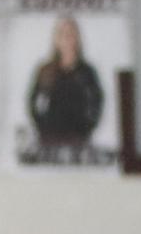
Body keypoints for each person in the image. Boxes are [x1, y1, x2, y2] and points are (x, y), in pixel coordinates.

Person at [26, 14, 103, 146]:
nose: (67, 38)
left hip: (79, 137)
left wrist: (89, 127)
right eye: (63, 34)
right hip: (50, 137)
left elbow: (98, 100)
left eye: (71, 33)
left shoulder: (87, 71)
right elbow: (32, 101)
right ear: (56, 39)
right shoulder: (46, 70)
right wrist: (41, 127)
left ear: (78, 38)